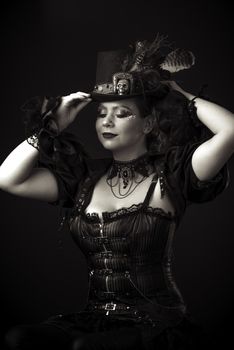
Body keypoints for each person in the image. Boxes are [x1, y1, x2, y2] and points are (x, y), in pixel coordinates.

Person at [1, 34, 233, 350]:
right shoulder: (84, 177)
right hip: (96, 317)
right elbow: (8, 178)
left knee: (85, 348)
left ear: (148, 123)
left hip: (155, 322)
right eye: (100, 113)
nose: (106, 122)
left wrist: (179, 94)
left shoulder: (174, 171)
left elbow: (230, 131)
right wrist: (51, 127)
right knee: (19, 339)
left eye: (121, 113)